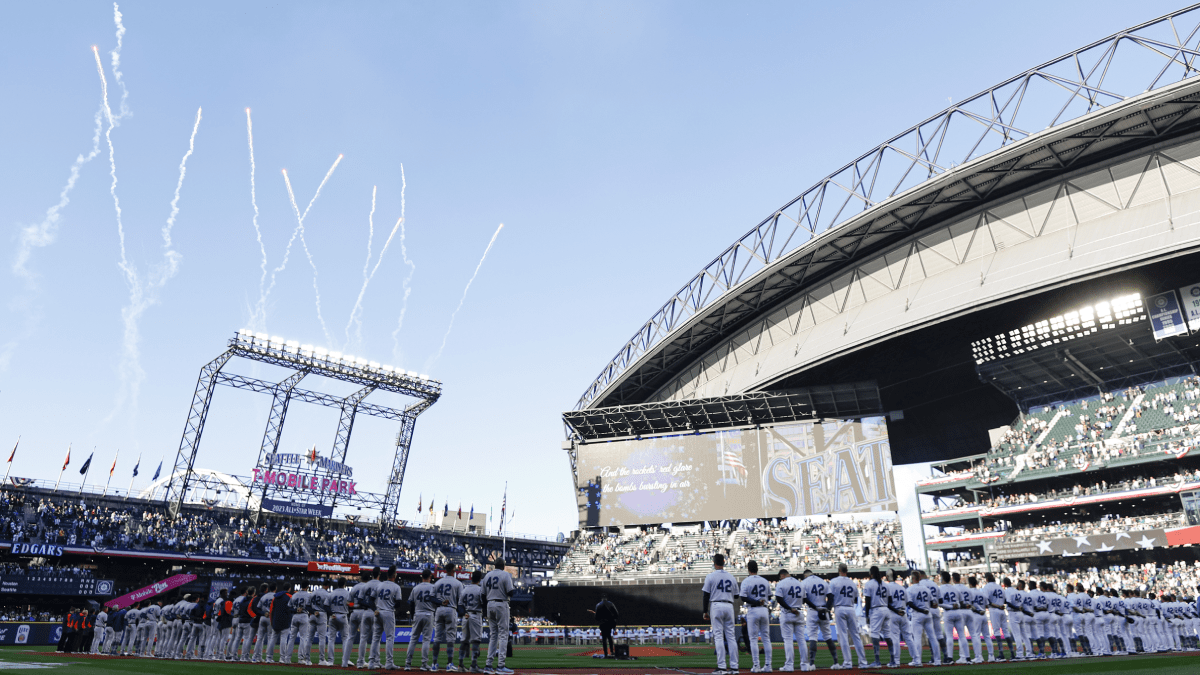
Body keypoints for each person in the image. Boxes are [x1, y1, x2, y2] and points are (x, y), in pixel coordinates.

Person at [701, 553, 738, 675]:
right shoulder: (731, 577)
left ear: (714, 563)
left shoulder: (711, 576)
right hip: (729, 605)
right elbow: (737, 595)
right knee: (731, 637)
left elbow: (706, 595)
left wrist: (705, 611)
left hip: (716, 605)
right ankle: (734, 667)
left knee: (718, 636)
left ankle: (722, 667)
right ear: (724, 562)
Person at [482, 557, 515, 675]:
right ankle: (501, 665)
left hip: (490, 604)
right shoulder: (505, 575)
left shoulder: (487, 575)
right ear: (503, 565)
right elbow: (510, 592)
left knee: (493, 636)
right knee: (503, 635)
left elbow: (482, 595)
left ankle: (488, 665)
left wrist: (486, 609)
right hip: (501, 604)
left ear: (494, 565)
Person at [830, 563, 866, 669]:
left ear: (839, 570)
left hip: (839, 608)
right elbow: (855, 599)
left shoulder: (834, 581)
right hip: (850, 608)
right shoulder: (852, 582)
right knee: (856, 636)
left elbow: (831, 598)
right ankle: (863, 662)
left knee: (844, 636)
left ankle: (848, 662)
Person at [800, 570, 837, 668]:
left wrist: (816, 608)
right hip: (824, 609)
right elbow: (830, 597)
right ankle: (836, 662)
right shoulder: (822, 581)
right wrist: (827, 609)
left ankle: (811, 664)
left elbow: (804, 599)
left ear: (805, 575)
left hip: (813, 610)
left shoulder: (804, 582)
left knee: (812, 637)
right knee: (828, 636)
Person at [774, 569, 810, 672]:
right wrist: (795, 606)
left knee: (788, 640)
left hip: (788, 613)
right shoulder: (799, 583)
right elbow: (804, 599)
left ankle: (789, 665)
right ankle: (805, 665)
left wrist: (790, 608)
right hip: (799, 612)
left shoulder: (782, 583)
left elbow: (779, 599)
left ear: (782, 575)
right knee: (801, 640)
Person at [739, 560, 771, 673]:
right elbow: (770, 596)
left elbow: (743, 597)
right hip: (764, 609)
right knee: (766, 638)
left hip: (753, 609)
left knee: (753, 639)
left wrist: (756, 602)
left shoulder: (746, 581)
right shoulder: (765, 581)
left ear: (748, 569)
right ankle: (768, 665)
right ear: (757, 568)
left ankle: (756, 665)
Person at [431, 562, 464, 671]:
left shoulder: (438, 582)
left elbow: (431, 598)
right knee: (450, 638)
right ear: (453, 570)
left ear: (445, 570)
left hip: (439, 609)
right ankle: (449, 664)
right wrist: (463, 613)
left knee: (437, 638)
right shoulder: (458, 583)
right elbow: (460, 602)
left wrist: (440, 602)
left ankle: (434, 664)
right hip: (451, 609)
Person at [907, 570, 942, 666]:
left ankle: (917, 661)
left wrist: (921, 610)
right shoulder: (926, 589)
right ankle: (937, 660)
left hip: (918, 615)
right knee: (933, 637)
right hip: (928, 614)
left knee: (917, 638)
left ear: (914, 578)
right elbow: (932, 603)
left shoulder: (910, 589)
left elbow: (910, 604)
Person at [405, 569, 437, 671]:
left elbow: (410, 603)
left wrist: (413, 614)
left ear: (421, 576)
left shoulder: (416, 588)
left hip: (418, 613)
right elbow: (436, 602)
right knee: (426, 640)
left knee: (413, 639)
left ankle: (407, 664)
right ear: (430, 577)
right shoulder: (433, 587)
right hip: (429, 614)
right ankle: (424, 664)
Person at [376, 566, 404, 669]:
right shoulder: (396, 587)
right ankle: (389, 663)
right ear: (394, 575)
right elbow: (398, 604)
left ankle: (373, 662)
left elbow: (372, 598)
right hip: (388, 612)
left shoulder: (379, 585)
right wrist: (390, 605)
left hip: (378, 611)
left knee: (376, 638)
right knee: (389, 638)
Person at [457, 570, 485, 672]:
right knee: (476, 640)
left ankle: (460, 665)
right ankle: (473, 665)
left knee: (464, 640)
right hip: (475, 614)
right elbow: (483, 603)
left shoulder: (465, 589)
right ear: (480, 579)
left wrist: (464, 613)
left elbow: (459, 605)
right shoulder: (480, 590)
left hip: (466, 615)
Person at [862, 566, 888, 668]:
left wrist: (867, 615)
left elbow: (867, 602)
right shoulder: (885, 584)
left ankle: (877, 661)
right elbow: (889, 600)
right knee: (889, 635)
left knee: (875, 635)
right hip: (885, 609)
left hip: (876, 610)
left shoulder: (869, 584)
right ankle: (894, 660)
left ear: (870, 573)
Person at [328, 578, 352, 667]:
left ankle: (330, 661)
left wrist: (331, 613)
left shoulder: (332, 593)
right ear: (344, 584)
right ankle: (345, 661)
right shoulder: (347, 593)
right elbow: (351, 604)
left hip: (333, 616)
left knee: (331, 639)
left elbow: (326, 605)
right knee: (345, 639)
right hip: (342, 615)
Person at [588, 593, 619, 658]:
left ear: (601, 598)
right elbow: (616, 614)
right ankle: (612, 652)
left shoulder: (598, 605)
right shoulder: (611, 603)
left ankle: (605, 654)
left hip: (602, 623)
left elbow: (596, 617)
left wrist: (600, 618)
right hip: (610, 623)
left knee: (604, 638)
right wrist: (612, 618)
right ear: (606, 598)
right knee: (609, 637)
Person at [310, 580, 332, 666]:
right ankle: (321, 660)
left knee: (309, 638)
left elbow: (308, 605)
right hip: (322, 614)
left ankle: (306, 659)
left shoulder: (313, 592)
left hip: (312, 614)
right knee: (322, 638)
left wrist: (313, 611)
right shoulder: (327, 594)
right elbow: (327, 607)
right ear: (327, 586)